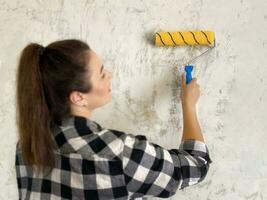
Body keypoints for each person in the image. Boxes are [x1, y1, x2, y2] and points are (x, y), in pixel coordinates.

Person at [15, 39, 212, 200]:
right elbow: (196, 164)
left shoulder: (28, 144)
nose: (109, 75)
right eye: (101, 74)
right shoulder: (116, 151)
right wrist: (188, 104)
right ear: (78, 97)